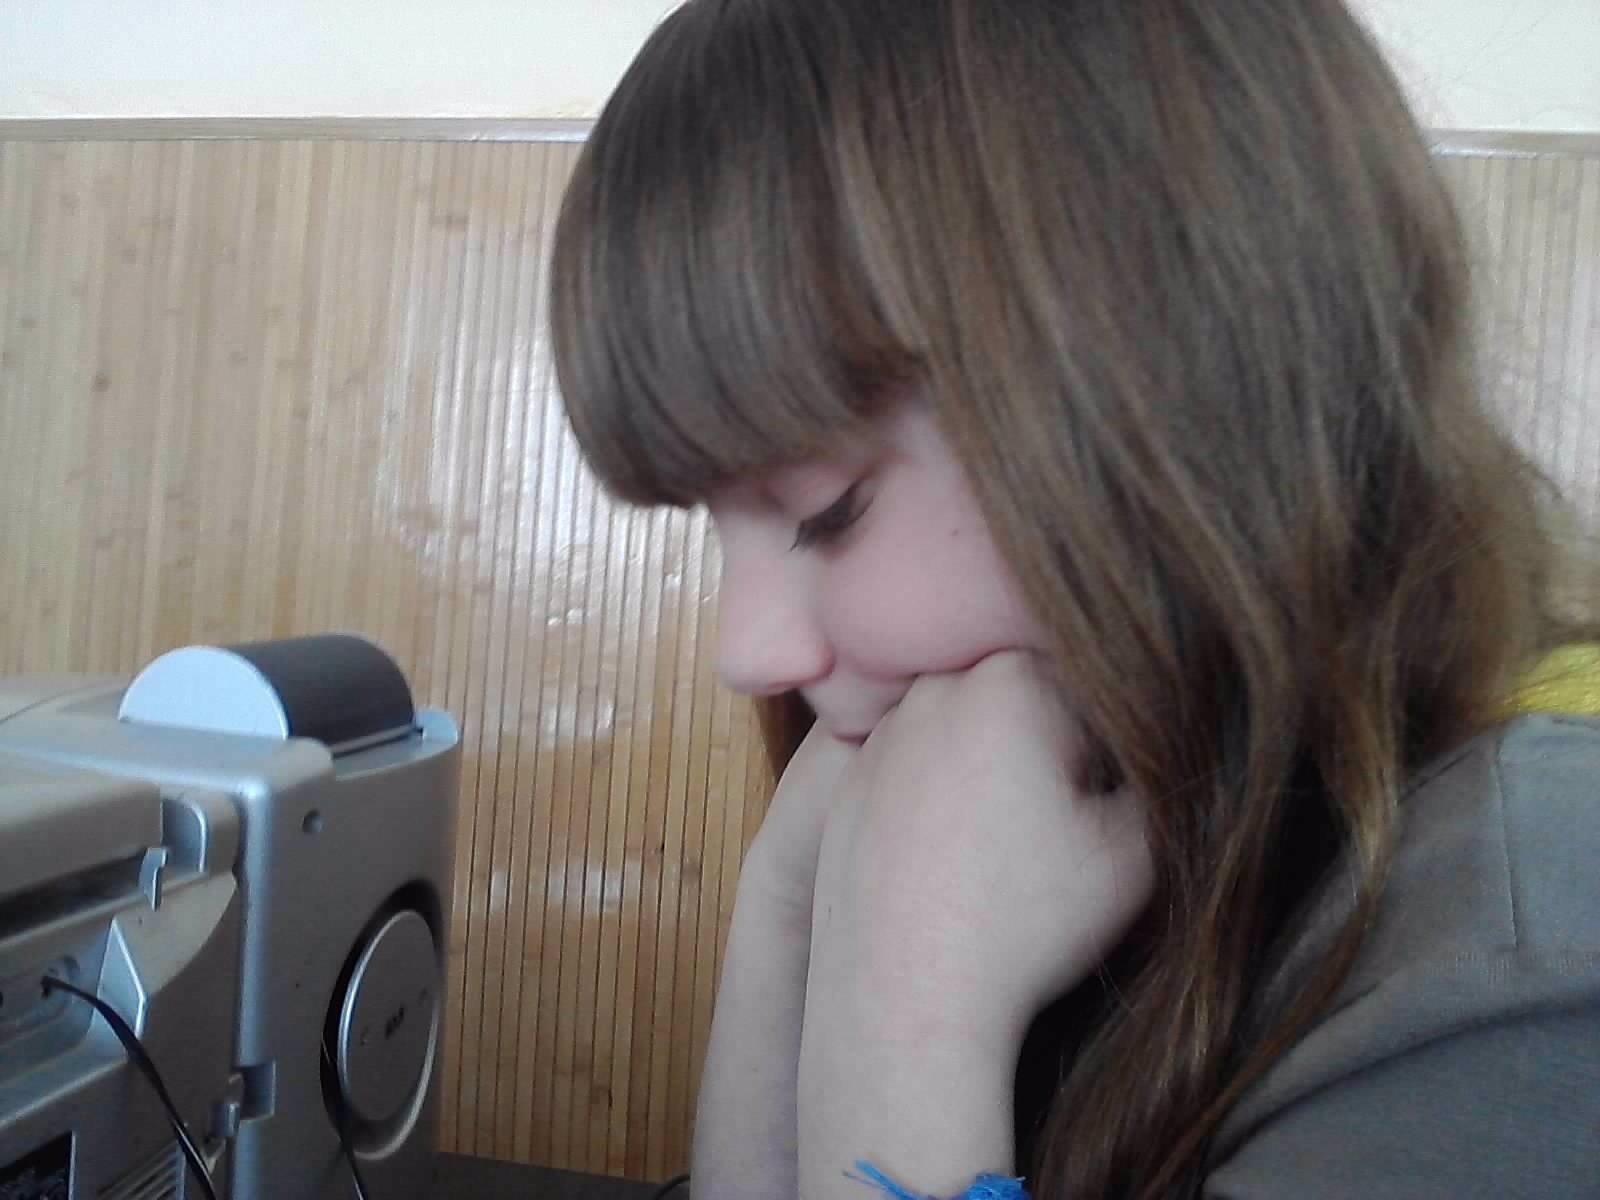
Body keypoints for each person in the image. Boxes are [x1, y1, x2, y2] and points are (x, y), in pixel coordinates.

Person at [547, 0, 1600, 1196]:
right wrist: (788, 918)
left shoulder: (1531, 953)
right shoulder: (1087, 816)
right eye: (714, 523)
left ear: (1181, 397)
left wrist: (906, 1021)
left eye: (827, 510)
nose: (744, 650)